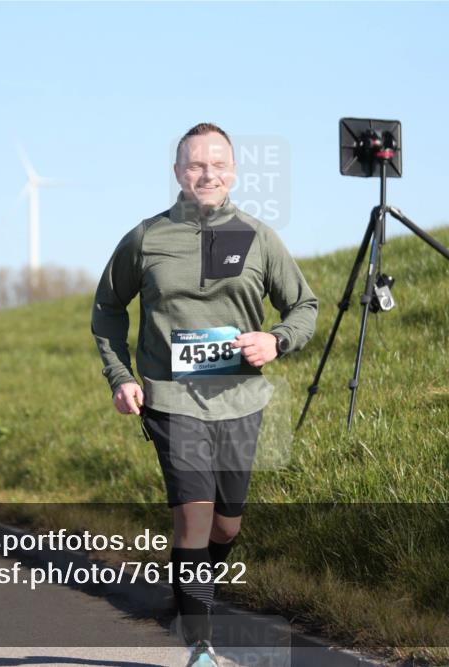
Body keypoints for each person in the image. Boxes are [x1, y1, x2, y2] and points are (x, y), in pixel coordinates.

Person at [92, 123, 317, 666]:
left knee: (226, 522)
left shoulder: (259, 237)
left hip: (241, 399)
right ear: (177, 173)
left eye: (218, 164)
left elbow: (304, 308)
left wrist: (275, 340)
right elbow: (107, 309)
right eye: (195, 164)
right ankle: (199, 646)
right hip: (171, 398)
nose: (207, 173)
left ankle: (195, 597)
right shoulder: (146, 238)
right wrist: (121, 376)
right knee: (193, 514)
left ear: (234, 171)